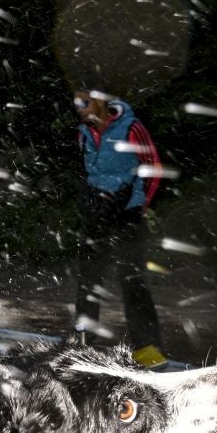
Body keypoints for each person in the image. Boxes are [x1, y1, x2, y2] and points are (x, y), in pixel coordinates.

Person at [72, 90, 166, 367]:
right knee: (89, 276)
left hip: (127, 212)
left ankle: (147, 346)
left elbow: (153, 167)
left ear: (100, 100)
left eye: (84, 102)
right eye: (76, 103)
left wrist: (139, 205)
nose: (79, 108)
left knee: (132, 279)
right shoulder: (83, 133)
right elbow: (87, 173)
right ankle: (83, 338)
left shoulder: (131, 128)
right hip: (97, 213)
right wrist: (89, 200)